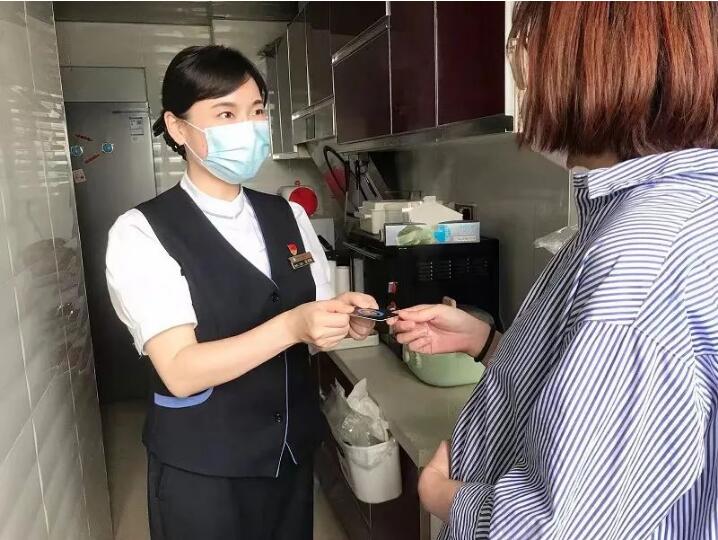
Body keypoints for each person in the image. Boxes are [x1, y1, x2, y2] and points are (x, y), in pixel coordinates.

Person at [392, 2, 718, 538]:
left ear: (591, 57)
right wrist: (487, 343)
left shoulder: (639, 258)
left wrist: (443, 497)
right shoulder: (668, 213)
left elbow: (555, 528)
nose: (520, 69)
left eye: (526, 42)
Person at [105, 45, 376, 540]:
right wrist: (293, 325)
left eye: (256, 111)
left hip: (290, 456)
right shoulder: (142, 232)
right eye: (225, 114)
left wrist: (340, 321)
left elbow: (311, 328)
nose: (248, 128)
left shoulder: (288, 216)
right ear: (178, 127)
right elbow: (180, 370)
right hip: (205, 471)